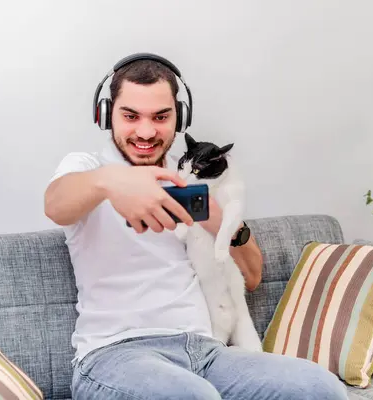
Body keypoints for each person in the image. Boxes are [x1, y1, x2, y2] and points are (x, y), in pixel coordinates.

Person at [44, 53, 348, 400]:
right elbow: (56, 204)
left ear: (180, 117)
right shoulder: (88, 168)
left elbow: (251, 276)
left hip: (206, 352)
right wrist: (110, 182)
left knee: (319, 387)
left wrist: (222, 220)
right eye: (130, 116)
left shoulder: (192, 176)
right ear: (106, 114)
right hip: (115, 355)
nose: (146, 131)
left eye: (161, 117)